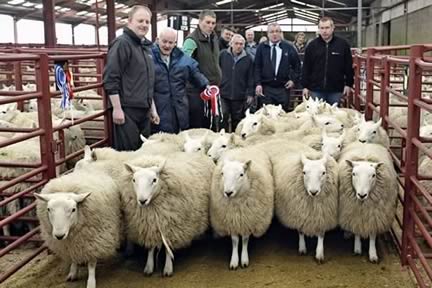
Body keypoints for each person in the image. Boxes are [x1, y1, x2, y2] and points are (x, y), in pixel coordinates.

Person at [103, 5, 158, 151]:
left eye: (147, 22)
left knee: (143, 152)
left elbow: (147, 81)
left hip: (144, 110)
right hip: (128, 110)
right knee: (128, 153)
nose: (144, 25)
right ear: (129, 21)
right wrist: (117, 108)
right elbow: (111, 77)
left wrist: (153, 109)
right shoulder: (122, 43)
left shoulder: (145, 47)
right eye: (140, 21)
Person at [151, 28, 209, 133]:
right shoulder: (149, 58)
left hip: (180, 108)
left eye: (170, 42)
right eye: (164, 41)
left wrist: (207, 85)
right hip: (159, 108)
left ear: (175, 43)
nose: (167, 45)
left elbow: (196, 73)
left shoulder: (183, 59)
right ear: (157, 40)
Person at [183, 10, 222, 129]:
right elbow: (186, 65)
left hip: (213, 90)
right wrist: (203, 81)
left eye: (213, 23)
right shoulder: (191, 41)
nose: (211, 26)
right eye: (208, 22)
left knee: (210, 123)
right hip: (197, 92)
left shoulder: (214, 38)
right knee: (198, 125)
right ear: (200, 22)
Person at [302, 17, 354, 105]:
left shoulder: (342, 45)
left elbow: (348, 66)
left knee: (334, 116)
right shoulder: (312, 46)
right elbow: (306, 67)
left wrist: (348, 84)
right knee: (317, 116)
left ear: (333, 28)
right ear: (318, 29)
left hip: (336, 90)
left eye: (327, 28)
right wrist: (305, 86)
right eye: (322, 28)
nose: (324, 31)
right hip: (316, 90)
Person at [254, 23, 301, 112]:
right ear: (267, 34)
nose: (274, 34)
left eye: (277, 31)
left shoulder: (289, 47)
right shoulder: (261, 47)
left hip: (283, 88)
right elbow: (257, 67)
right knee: (267, 115)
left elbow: (297, 66)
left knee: (282, 115)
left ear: (281, 33)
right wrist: (258, 83)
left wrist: (293, 80)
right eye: (271, 32)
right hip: (266, 88)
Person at [219, 34, 254, 132]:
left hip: (239, 95)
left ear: (244, 45)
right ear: (231, 44)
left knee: (237, 119)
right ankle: (223, 137)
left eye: (241, 44)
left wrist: (250, 93)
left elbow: (251, 77)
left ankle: (236, 138)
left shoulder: (248, 58)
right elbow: (217, 71)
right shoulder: (222, 55)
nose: (238, 46)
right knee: (223, 116)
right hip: (223, 92)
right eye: (236, 43)